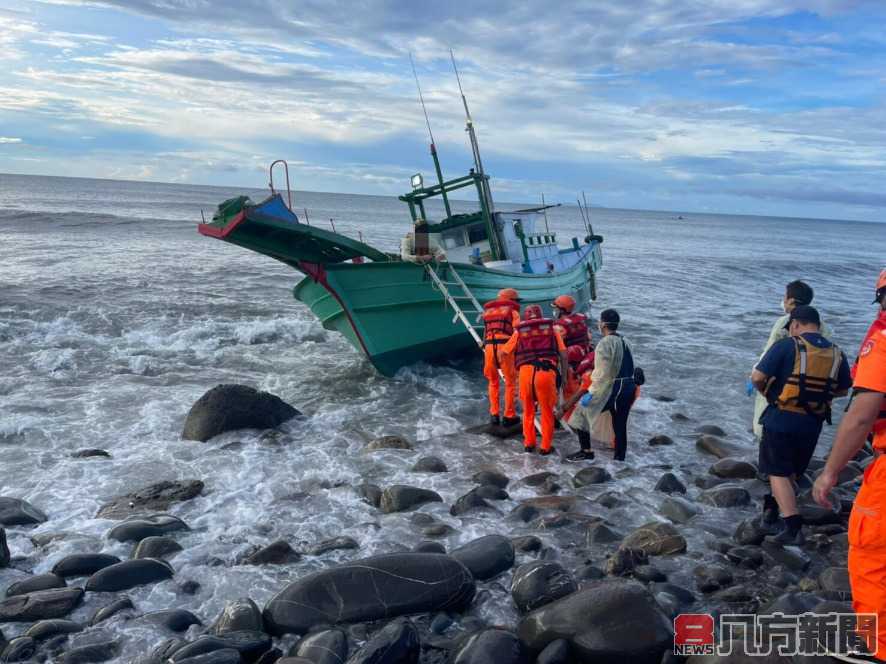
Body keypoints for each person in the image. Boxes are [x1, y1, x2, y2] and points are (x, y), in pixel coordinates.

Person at [813, 269, 886, 661]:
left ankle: (878, 650)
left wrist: (829, 471)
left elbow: (861, 414)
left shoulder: (885, 340)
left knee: (873, 556)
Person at [751, 304, 851, 545]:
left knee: (777, 471)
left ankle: (792, 525)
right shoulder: (837, 353)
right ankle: (772, 509)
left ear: (795, 324)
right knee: (793, 471)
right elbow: (843, 389)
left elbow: (757, 376)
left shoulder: (786, 345)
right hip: (812, 422)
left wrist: (766, 392)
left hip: (781, 418)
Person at [752, 280, 833, 440]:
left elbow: (770, 352)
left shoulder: (785, 322)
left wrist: (756, 374)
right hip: (813, 389)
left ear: (790, 300)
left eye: (784, 297)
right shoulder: (821, 325)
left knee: (767, 430)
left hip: (782, 386)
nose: (783, 301)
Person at [565, 309, 637, 462]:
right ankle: (619, 459)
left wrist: (591, 392)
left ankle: (586, 451)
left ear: (603, 324)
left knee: (581, 415)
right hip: (628, 386)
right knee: (619, 424)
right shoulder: (626, 340)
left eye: (599, 321)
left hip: (612, 388)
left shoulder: (605, 343)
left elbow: (601, 372)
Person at [502, 304, 568, 455]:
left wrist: (511, 373)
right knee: (546, 412)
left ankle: (529, 444)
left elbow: (505, 353)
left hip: (525, 373)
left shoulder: (519, 332)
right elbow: (564, 355)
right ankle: (545, 447)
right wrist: (564, 377)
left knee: (528, 411)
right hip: (546, 373)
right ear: (540, 315)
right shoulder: (552, 329)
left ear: (526, 316)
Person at [481, 288, 521, 427]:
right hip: (504, 347)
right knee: (510, 383)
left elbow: (486, 332)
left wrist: (485, 346)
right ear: (511, 300)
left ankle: (494, 415)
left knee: (493, 382)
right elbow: (518, 332)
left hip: (489, 348)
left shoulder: (487, 312)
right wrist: (508, 349)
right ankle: (509, 415)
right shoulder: (513, 312)